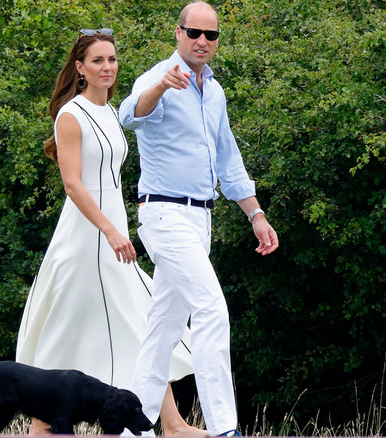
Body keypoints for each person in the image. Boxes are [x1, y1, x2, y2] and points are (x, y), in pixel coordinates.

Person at [15, 28, 204, 436]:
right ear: (80, 68)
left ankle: (171, 422)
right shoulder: (72, 114)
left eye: (112, 59)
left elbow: (113, 176)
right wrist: (110, 231)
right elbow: (73, 185)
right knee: (68, 330)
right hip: (86, 239)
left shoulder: (109, 111)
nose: (107, 67)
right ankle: (39, 428)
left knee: (143, 316)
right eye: (98, 60)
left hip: (112, 234)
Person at [118, 2, 280, 436]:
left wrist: (256, 215)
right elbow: (128, 115)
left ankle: (131, 427)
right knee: (211, 309)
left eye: (211, 35)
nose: (202, 42)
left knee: (165, 327)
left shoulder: (217, 92)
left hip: (200, 220)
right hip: (164, 214)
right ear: (178, 33)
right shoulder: (158, 77)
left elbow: (229, 159)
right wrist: (161, 90)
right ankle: (225, 428)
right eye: (194, 33)